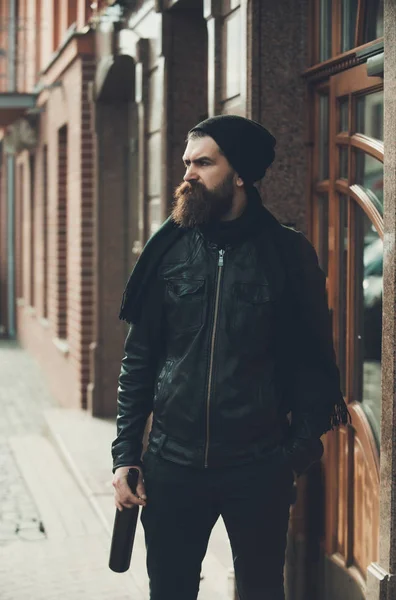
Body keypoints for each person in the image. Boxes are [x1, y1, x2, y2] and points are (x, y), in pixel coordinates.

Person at [111, 115, 350, 600]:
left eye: (203, 163)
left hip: (257, 467)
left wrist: (291, 457)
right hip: (171, 464)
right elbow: (139, 357)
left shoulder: (287, 253)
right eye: (187, 163)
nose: (189, 175)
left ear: (239, 173)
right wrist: (125, 455)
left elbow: (314, 361)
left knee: (262, 591)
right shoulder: (169, 248)